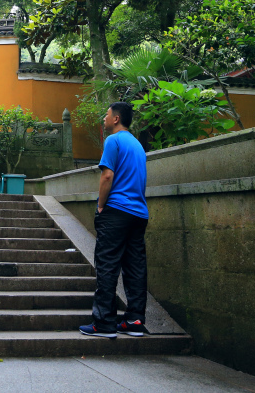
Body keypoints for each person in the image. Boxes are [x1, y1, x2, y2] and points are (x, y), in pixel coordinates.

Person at [79, 102, 149, 339]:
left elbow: (107, 175)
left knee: (107, 264)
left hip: (116, 211)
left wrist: (100, 206)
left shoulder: (113, 141)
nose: (104, 118)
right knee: (135, 267)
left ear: (116, 118)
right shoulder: (138, 145)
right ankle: (135, 320)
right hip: (139, 213)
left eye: (107, 115)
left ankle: (104, 323)